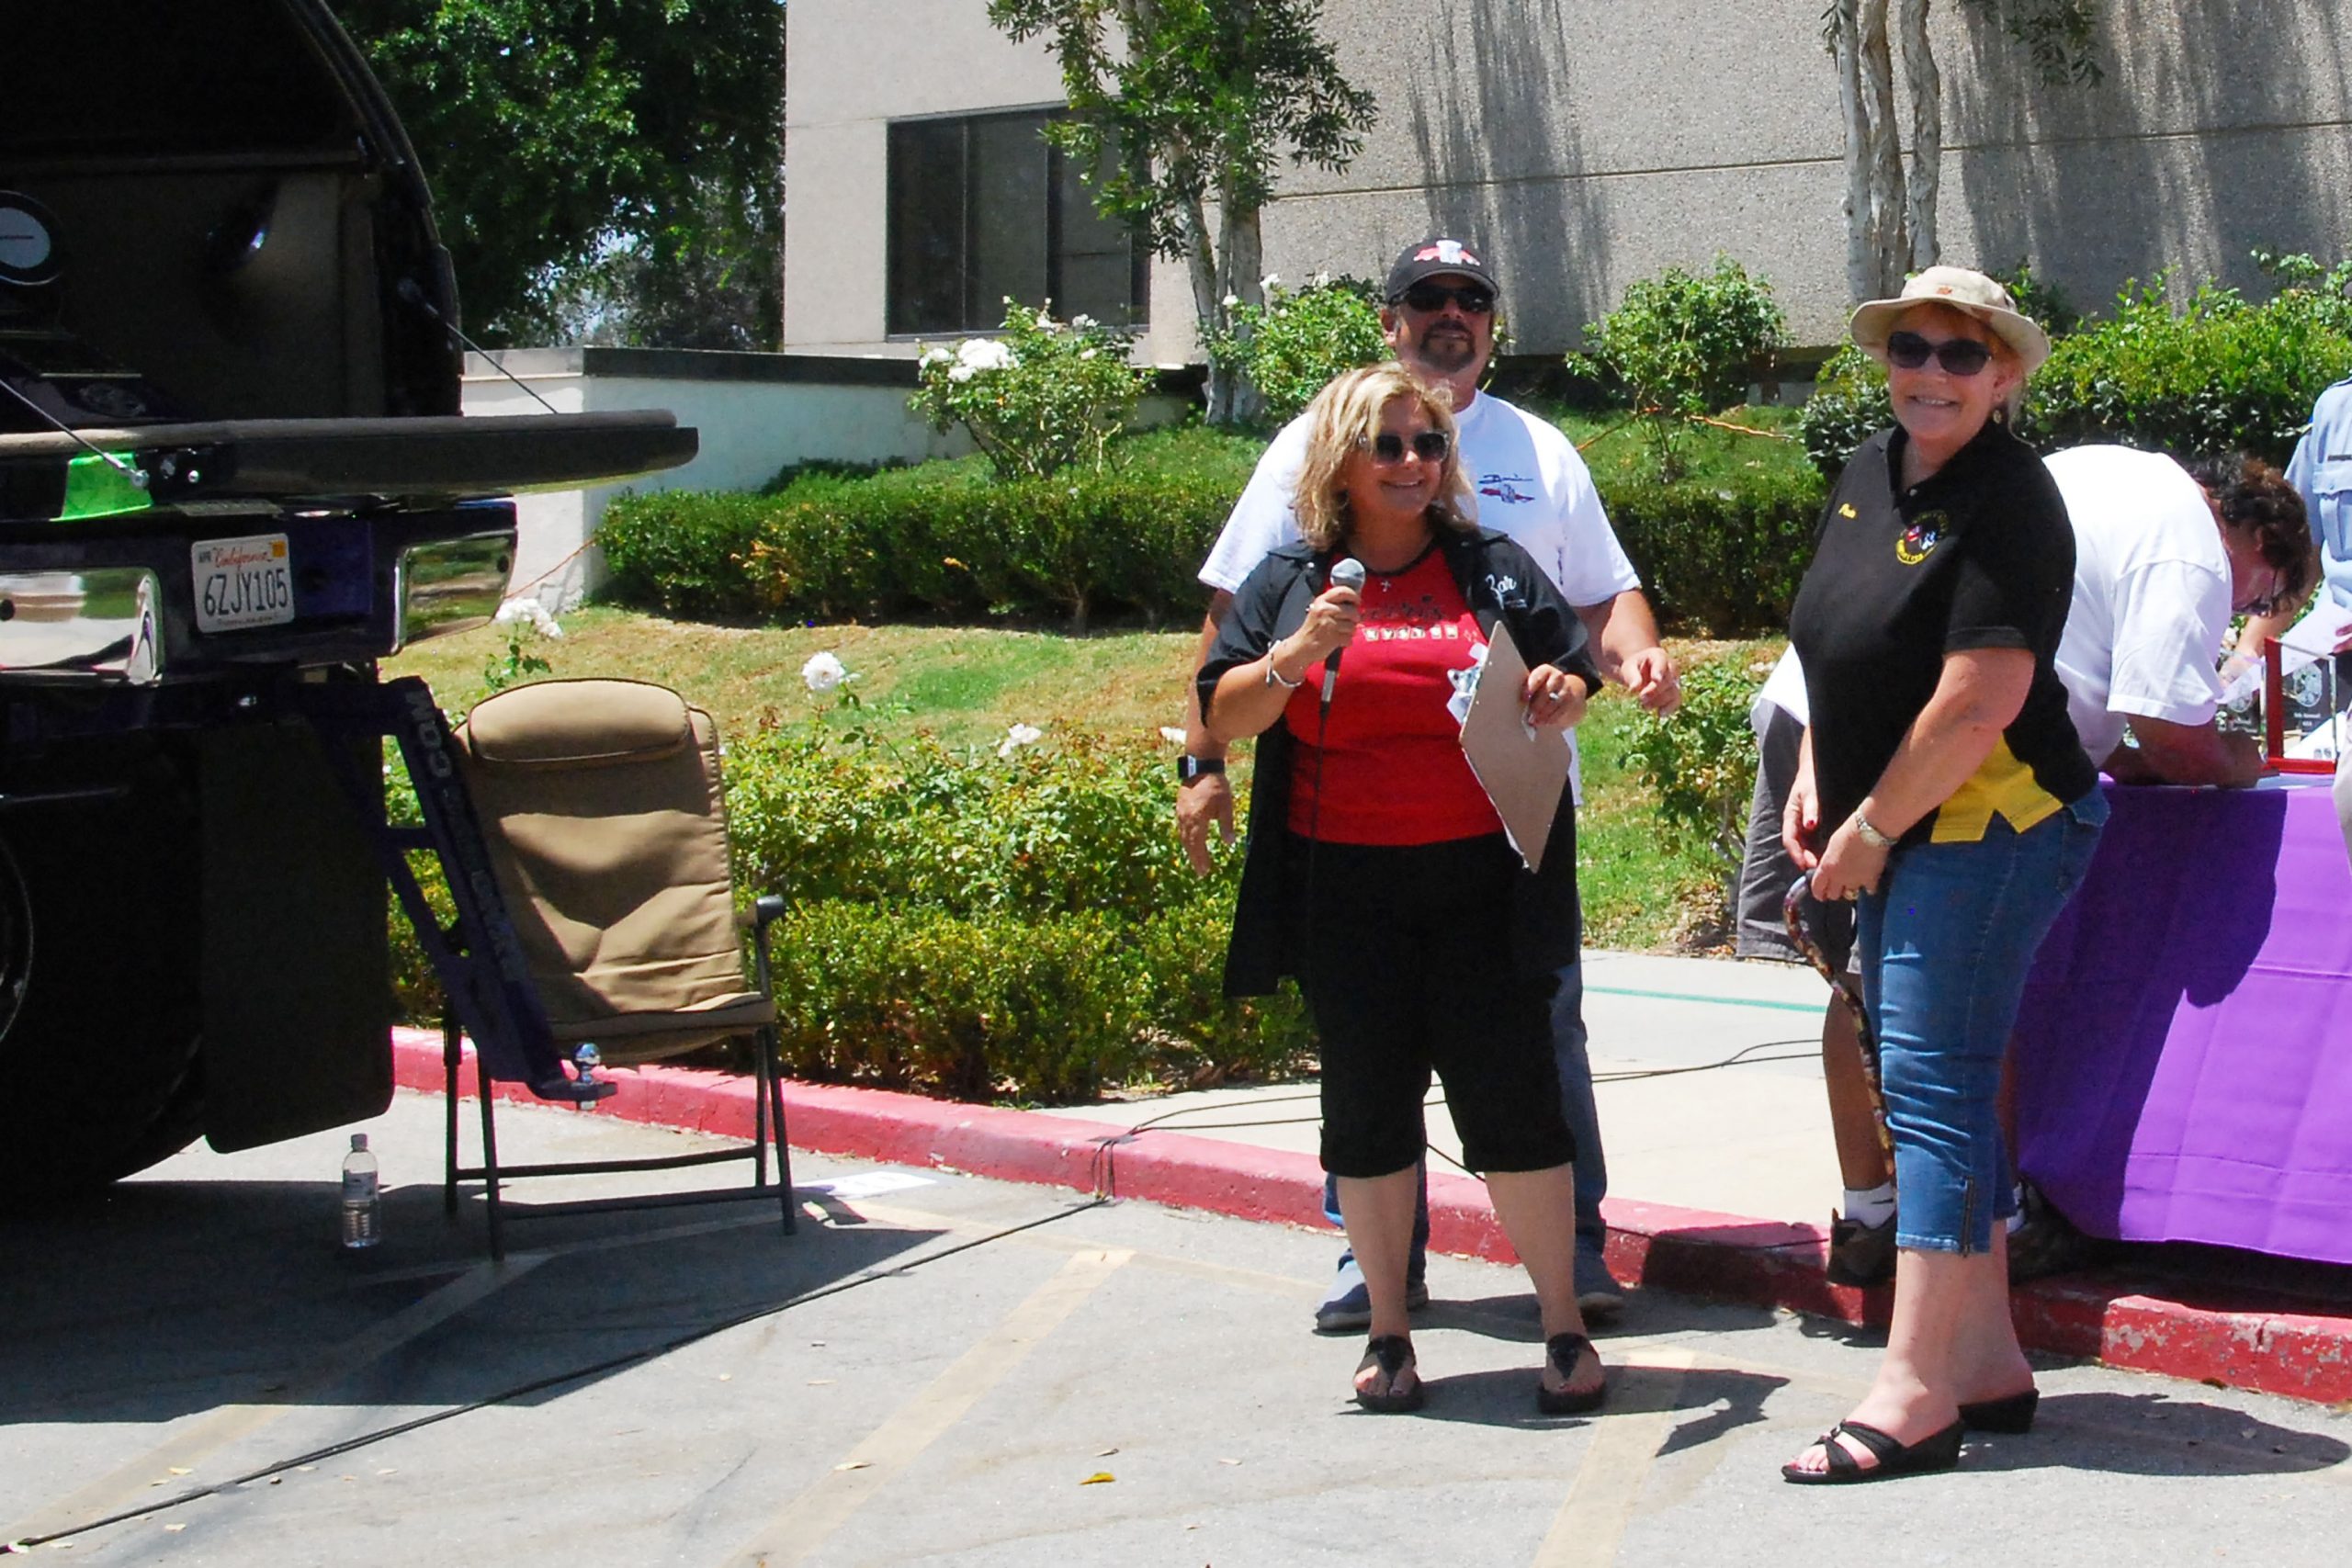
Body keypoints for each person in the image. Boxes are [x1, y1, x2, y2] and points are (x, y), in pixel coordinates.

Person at [1178, 235, 1679, 1332]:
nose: (1450, 316)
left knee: (1540, 1033)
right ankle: (1375, 1269)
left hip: (1512, 816)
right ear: (1390, 319)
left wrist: (1630, 661)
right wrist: (1199, 763)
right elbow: (1239, 620)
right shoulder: (1314, 442)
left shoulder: (1539, 455)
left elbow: (1600, 599)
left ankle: (1574, 1252)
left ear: (1493, 323)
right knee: (1369, 1050)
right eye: (1426, 299)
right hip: (1347, 834)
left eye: (1472, 300)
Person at [1742, 446, 2314, 1288]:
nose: (2240, 620)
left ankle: (1871, 1218)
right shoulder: (2186, 537)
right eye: (2259, 600)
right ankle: (1988, 1237)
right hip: (1928, 748)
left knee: (1868, 990)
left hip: (1840, 711)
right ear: (2254, 541)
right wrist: (2241, 759)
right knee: (1958, 1008)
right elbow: (2167, 729)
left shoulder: (2096, 472)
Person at [1197, 361, 1608, 1415]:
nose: (1413, 463)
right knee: (1367, 1112)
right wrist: (1295, 656)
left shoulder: (1491, 567)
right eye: (1388, 445)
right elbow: (1226, 712)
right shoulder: (1291, 581)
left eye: (1427, 445)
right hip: (1344, 888)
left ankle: (1559, 1324)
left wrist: (1560, 695)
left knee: (1514, 1105)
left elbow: (1569, 671)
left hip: (1481, 883)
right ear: (1340, 457)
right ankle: (1389, 1330)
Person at [1779, 266, 2105, 1484]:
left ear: (2005, 377)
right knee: (1927, 1080)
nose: (1931, 371)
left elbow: (1980, 702)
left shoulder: (2014, 500)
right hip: (1897, 814)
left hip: (1993, 819)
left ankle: (1915, 1387)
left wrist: (1867, 826)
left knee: (1929, 1089)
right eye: (1912, 347)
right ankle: (1983, 1361)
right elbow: (1834, 636)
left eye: (1962, 356)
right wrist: (1820, 765)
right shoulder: (1870, 473)